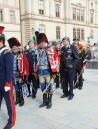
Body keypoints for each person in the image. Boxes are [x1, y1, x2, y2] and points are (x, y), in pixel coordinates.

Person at [36, 33, 60, 109]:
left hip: (48, 72)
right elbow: (34, 62)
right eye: (40, 42)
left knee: (49, 87)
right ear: (38, 43)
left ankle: (49, 101)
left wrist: (55, 71)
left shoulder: (51, 50)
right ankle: (44, 101)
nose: (42, 43)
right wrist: (34, 71)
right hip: (40, 72)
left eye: (43, 42)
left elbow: (57, 59)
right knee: (43, 87)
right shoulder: (36, 51)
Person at [0, 26, 16, 129]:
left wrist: (7, 82)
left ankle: (11, 121)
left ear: (1, 41)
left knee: (10, 103)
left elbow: (9, 70)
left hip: (6, 82)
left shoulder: (7, 53)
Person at [8, 37, 29, 106]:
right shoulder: (9, 55)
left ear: (17, 47)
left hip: (19, 74)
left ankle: (22, 99)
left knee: (21, 87)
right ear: (11, 48)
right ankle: (17, 99)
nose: (14, 48)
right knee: (16, 87)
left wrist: (25, 76)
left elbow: (26, 65)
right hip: (13, 74)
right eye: (13, 47)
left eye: (15, 47)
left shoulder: (21, 55)